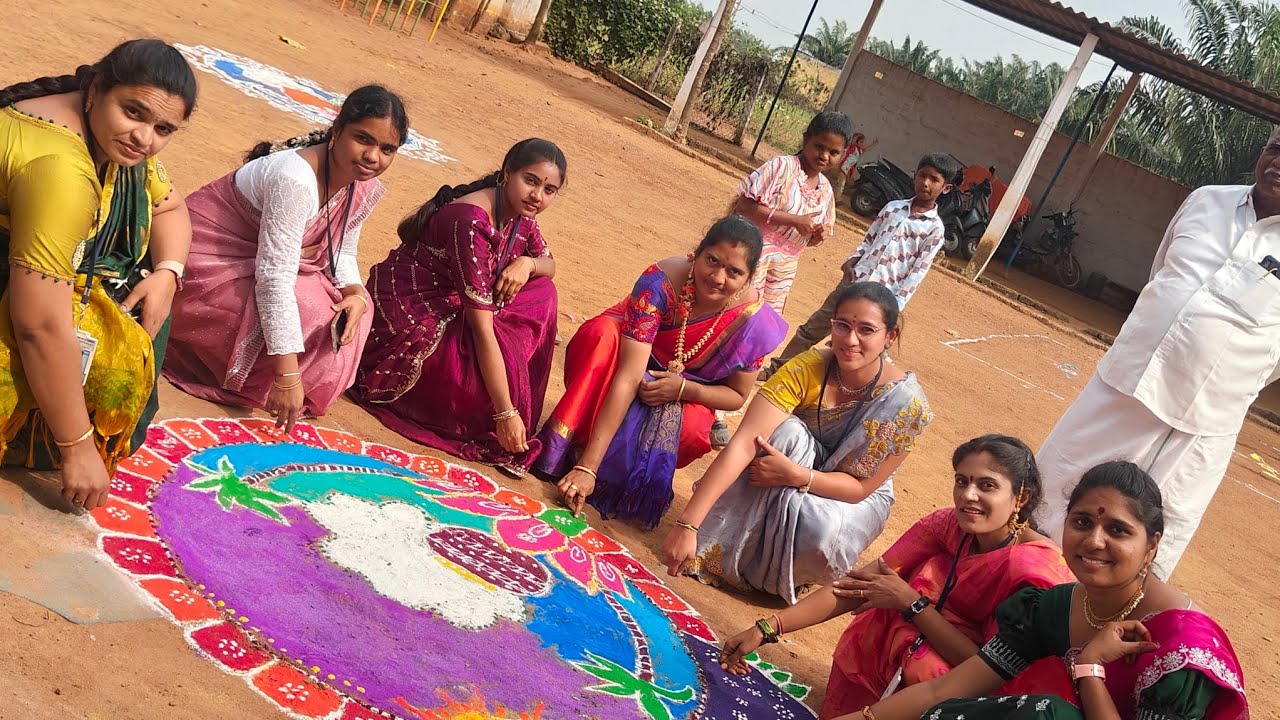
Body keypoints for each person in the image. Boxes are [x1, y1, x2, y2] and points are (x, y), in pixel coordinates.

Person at [1035, 127, 1280, 580]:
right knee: (1055, 487)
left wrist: (1213, 367)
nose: (1278, 163)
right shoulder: (1207, 200)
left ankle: (1083, 633)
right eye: (1276, 148)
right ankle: (1006, 580)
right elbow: (1162, 274)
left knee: (1147, 541)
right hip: (1123, 383)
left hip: (1197, 423)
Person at [850, 461, 1250, 720]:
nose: (1093, 542)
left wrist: (1091, 668)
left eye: (1117, 530)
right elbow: (944, 689)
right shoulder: (1054, 607)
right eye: (1081, 523)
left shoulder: (1181, 646)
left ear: (1152, 545)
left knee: (1047, 716)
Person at [718, 435, 1074, 718]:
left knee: (910, 595)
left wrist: (914, 605)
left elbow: (992, 671)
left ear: (1020, 496)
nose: (968, 496)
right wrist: (767, 628)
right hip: (932, 655)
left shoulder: (1034, 573)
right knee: (892, 591)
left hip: (991, 695)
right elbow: (858, 585)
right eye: (962, 481)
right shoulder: (949, 525)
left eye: (987, 485)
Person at [0, 39, 197, 510]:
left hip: (39, 279)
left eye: (164, 128)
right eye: (134, 112)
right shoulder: (61, 166)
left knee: (145, 285)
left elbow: (169, 206)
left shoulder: (116, 141)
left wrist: (168, 274)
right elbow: (39, 324)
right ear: (96, 90)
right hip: (18, 291)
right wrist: (78, 446)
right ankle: (39, 436)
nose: (144, 138)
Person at [662, 282, 933, 603]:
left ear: (890, 336)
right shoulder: (808, 367)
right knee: (784, 433)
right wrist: (688, 524)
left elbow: (861, 489)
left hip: (848, 496)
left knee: (818, 524)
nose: (850, 340)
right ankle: (719, 552)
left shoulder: (906, 405)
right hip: (789, 461)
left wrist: (796, 476)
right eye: (842, 326)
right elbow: (744, 442)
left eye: (867, 330)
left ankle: (781, 576)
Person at [163, 86, 407, 433]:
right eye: (363, 139)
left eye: (387, 149)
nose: (372, 156)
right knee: (305, 306)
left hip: (269, 262)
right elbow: (275, 278)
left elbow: (344, 251)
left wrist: (353, 292)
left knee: (357, 307)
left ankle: (268, 379)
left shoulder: (357, 181)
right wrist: (288, 377)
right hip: (207, 262)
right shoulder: (295, 179)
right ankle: (253, 380)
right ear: (337, 130)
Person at [534, 215, 786, 526]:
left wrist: (684, 390)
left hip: (686, 387)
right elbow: (628, 376)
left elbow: (736, 395)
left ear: (748, 279)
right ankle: (578, 451)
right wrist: (589, 467)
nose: (718, 278)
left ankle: (620, 478)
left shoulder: (753, 323)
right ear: (696, 254)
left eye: (734, 272)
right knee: (600, 337)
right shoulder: (661, 283)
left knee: (693, 430)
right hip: (625, 355)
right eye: (712, 261)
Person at [350, 139, 565, 477]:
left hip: (467, 303)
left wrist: (527, 264)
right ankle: (502, 413)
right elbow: (481, 328)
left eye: (549, 190)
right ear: (507, 173)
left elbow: (548, 265)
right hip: (416, 315)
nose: (537, 195)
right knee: (483, 386)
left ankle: (505, 394)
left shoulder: (520, 216)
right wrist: (505, 414)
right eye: (531, 180)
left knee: (543, 292)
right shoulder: (471, 221)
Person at [719, 111, 851, 446]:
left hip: (785, 268)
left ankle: (727, 404)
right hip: (752, 257)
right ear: (806, 138)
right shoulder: (781, 168)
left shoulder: (824, 190)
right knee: (733, 323)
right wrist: (790, 218)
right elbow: (743, 205)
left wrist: (816, 232)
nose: (824, 156)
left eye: (833, 153)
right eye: (819, 146)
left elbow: (818, 235)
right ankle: (713, 406)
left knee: (761, 334)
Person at [760, 153, 956, 380]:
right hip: (854, 282)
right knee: (814, 327)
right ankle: (776, 371)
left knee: (853, 345)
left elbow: (916, 273)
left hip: (880, 298)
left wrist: (895, 305)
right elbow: (869, 239)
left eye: (934, 179)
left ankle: (827, 393)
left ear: (946, 188)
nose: (926, 183)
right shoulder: (893, 208)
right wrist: (852, 260)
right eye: (922, 176)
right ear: (915, 176)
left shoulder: (934, 229)